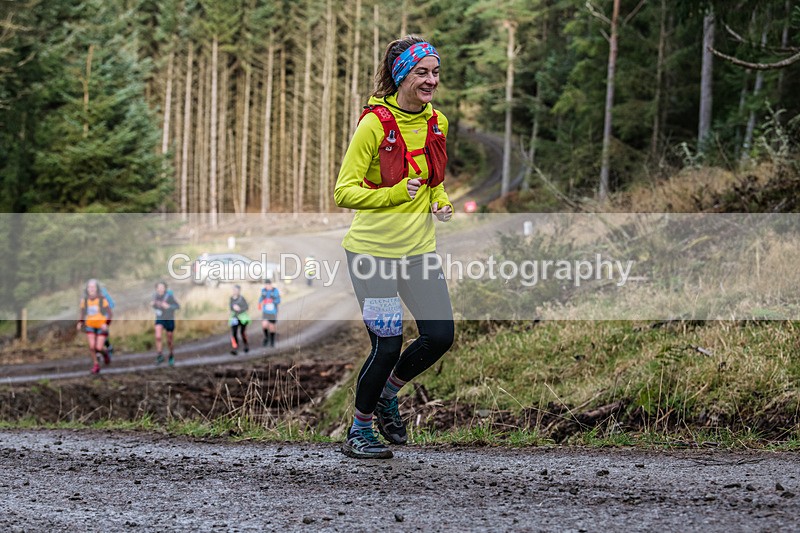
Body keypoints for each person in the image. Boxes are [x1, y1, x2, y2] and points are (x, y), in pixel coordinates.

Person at [333, 36, 454, 459]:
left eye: (435, 72)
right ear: (402, 74)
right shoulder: (374, 124)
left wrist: (439, 201)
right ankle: (359, 432)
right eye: (422, 72)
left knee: (440, 335)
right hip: (372, 255)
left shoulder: (437, 121)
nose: (431, 80)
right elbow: (343, 191)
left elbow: (434, 178)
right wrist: (395, 194)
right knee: (387, 345)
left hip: (418, 253)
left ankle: (387, 394)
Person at [77, 279, 113, 375]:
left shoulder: (102, 299)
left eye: (93, 287)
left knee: (99, 347)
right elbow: (83, 313)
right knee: (92, 347)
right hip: (90, 326)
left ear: (97, 288)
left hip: (101, 326)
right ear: (87, 289)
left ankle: (105, 354)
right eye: (89, 287)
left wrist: (106, 323)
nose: (91, 289)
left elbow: (109, 313)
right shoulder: (84, 300)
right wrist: (80, 322)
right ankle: (96, 365)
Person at [151, 281, 180, 366]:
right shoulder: (155, 296)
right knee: (158, 336)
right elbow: (155, 306)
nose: (160, 289)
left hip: (169, 319)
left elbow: (177, 306)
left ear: (165, 288)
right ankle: (160, 355)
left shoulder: (169, 296)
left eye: (162, 287)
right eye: (159, 287)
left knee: (169, 340)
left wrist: (169, 307)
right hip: (160, 319)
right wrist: (153, 304)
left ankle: (171, 355)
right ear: (156, 289)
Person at [258, 279, 281, 347]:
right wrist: (260, 303)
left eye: (267, 285)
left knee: (271, 327)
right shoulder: (263, 290)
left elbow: (278, 300)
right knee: (264, 325)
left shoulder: (275, 290)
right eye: (265, 285)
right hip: (265, 311)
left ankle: (272, 341)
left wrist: (271, 301)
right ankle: (266, 338)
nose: (266, 286)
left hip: (273, 312)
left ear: (270, 284)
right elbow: (261, 298)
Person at [229, 284, 250, 355]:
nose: (235, 291)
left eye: (236, 290)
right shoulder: (231, 298)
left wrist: (240, 309)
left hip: (243, 318)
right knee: (234, 333)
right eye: (234, 290)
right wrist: (233, 309)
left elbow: (246, 307)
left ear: (239, 291)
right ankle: (235, 347)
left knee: (242, 332)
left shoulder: (242, 298)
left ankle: (246, 345)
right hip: (234, 318)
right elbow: (231, 307)